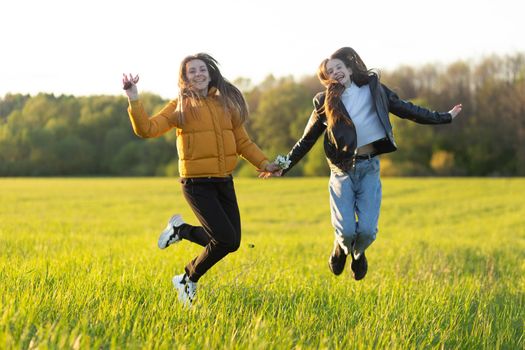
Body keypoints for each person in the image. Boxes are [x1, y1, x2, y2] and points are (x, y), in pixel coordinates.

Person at [260, 47, 462, 280]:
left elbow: (408, 110)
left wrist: (444, 117)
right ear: (326, 79)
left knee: (366, 231)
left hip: (369, 168)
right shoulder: (324, 102)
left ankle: (358, 253)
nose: (336, 73)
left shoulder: (373, 90)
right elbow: (306, 140)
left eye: (338, 67)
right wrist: (283, 166)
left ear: (348, 68)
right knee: (345, 231)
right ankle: (341, 247)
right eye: (330, 72)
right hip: (341, 171)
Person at [122, 53, 279, 306]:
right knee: (224, 239)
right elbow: (147, 129)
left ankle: (180, 230)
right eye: (191, 71)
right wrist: (134, 98)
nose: (198, 74)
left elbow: (242, 142)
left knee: (232, 242)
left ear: (210, 72)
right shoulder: (179, 106)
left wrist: (264, 163)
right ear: (184, 78)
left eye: (201, 69)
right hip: (197, 184)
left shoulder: (225, 104)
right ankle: (187, 278)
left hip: (224, 181)